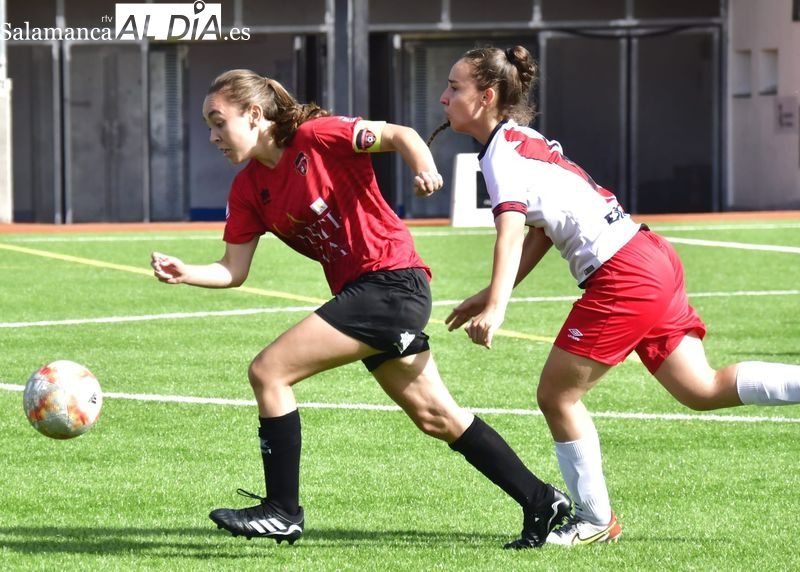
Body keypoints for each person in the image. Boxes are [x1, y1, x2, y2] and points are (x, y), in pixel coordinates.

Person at [150, 69, 571, 549]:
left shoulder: (317, 136)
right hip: (373, 298)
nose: (212, 136)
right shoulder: (248, 190)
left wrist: (424, 166)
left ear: (253, 114)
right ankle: (541, 500)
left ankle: (282, 510)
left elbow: (399, 134)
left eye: (218, 122)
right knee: (437, 417)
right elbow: (233, 269)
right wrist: (187, 272)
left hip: (392, 284)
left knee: (268, 372)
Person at [435, 45, 800, 546]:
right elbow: (540, 231)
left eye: (454, 88)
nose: (443, 97)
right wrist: (490, 292)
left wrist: (497, 306)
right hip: (648, 253)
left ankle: (594, 520)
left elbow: (513, 231)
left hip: (623, 274)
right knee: (701, 388)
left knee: (556, 396)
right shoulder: (520, 139)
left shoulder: (502, 154)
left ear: (487, 97)